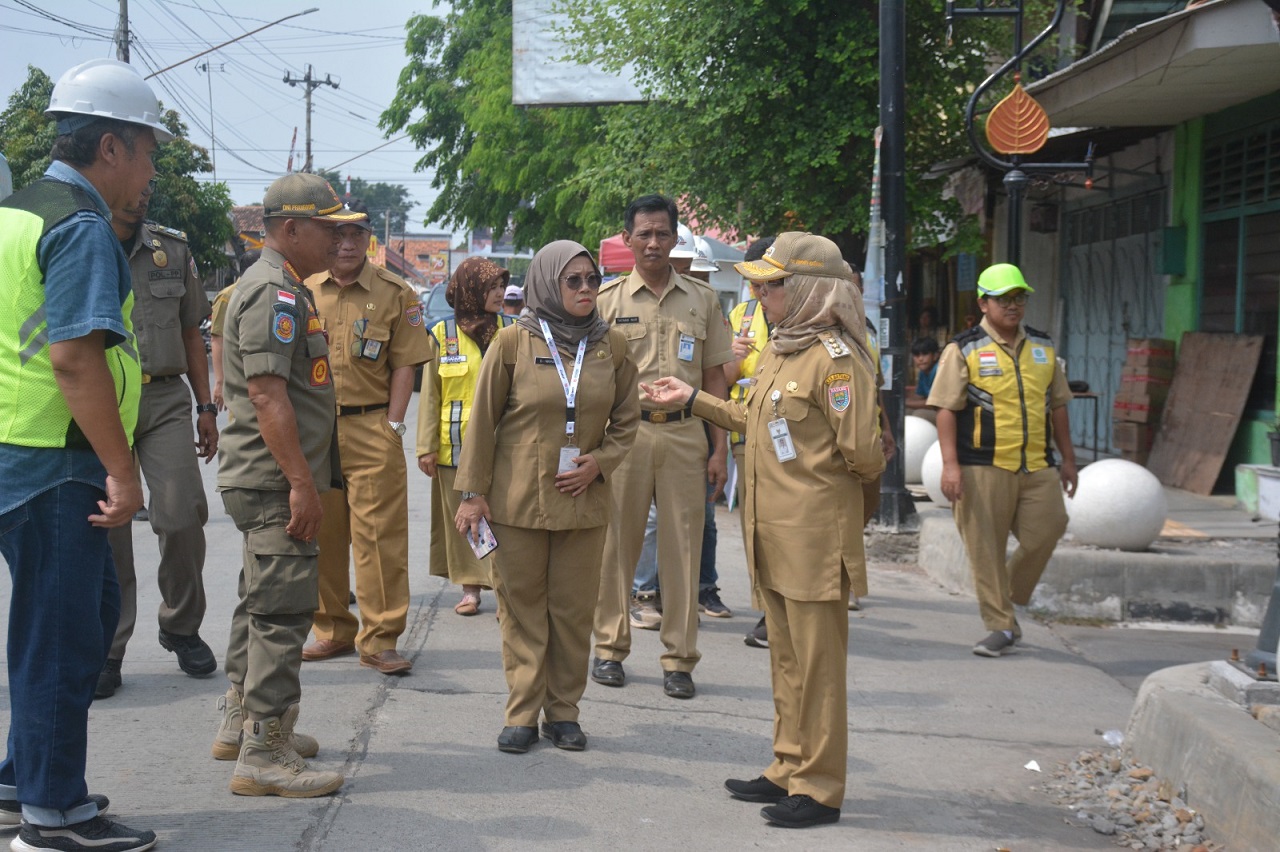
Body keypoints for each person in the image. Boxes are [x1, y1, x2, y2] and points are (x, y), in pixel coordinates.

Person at [641, 231, 884, 829]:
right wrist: (692, 396)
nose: (759, 293)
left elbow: (866, 457)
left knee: (819, 665)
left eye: (771, 285)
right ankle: (788, 764)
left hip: (814, 536)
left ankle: (821, 787)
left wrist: (838, 504)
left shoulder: (838, 358)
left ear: (804, 290)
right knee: (786, 660)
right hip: (769, 530)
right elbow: (753, 417)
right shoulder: (781, 349)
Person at [0, 57, 168, 852]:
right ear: (110, 146)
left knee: (82, 614)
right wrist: (124, 471)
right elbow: (75, 358)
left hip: (19, 448)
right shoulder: (79, 226)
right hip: (58, 455)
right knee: (63, 630)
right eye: (148, 150)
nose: (150, 170)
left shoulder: (18, 210)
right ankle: (53, 814)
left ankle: (19, 780)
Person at [454, 241, 639, 754]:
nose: (585, 289)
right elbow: (483, 424)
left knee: (573, 613)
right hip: (516, 505)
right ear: (546, 284)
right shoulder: (512, 342)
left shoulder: (613, 346)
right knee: (521, 611)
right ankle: (521, 714)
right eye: (572, 280)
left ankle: (563, 714)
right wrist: (472, 494)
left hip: (583, 502)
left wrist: (601, 462)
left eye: (592, 279)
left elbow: (627, 419)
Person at [212, 172, 358, 798]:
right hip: (275, 481)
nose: (337, 236)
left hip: (267, 476)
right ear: (291, 229)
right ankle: (263, 752)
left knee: (258, 600)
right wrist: (301, 484)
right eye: (327, 226)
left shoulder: (279, 286)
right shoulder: (275, 292)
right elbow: (269, 395)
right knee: (281, 613)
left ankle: (242, 723)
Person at [591, 195, 733, 700]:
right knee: (617, 548)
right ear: (627, 239)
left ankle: (679, 659)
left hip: (684, 435)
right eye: (644, 233)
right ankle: (608, 649)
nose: (654, 242)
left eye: (663, 233)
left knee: (683, 551)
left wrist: (720, 450)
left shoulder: (702, 300)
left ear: (675, 239)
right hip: (624, 437)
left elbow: (716, 377)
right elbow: (589, 381)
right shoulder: (605, 303)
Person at [95, 187, 219, 700]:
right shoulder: (82, 241)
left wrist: (205, 406)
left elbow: (193, 331)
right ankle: (110, 646)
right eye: (135, 183)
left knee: (182, 513)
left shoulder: (173, 251)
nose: (142, 193)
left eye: (150, 186)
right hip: (101, 400)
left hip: (165, 397)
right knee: (112, 525)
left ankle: (180, 626)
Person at [301, 203, 433, 675]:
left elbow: (406, 363)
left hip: (371, 425)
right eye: (336, 235)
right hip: (314, 430)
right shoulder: (303, 290)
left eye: (356, 235)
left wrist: (394, 425)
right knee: (322, 533)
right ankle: (332, 628)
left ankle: (380, 637)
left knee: (379, 537)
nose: (346, 244)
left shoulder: (395, 292)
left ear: (369, 240)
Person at [927, 263, 1078, 658]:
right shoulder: (963, 348)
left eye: (1019, 298)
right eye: (1004, 299)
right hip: (980, 466)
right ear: (983, 303)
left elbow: (1058, 405)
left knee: (1049, 529)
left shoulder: (1043, 347)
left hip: (1036, 465)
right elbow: (945, 408)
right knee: (985, 550)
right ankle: (1001, 626)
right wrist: (950, 465)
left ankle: (1006, 599)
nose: (1013, 306)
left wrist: (1069, 460)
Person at [415, 258, 514, 615]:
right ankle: (471, 588)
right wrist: (426, 445)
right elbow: (430, 393)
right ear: (471, 290)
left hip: (503, 446)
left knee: (502, 517)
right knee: (464, 519)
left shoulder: (513, 330)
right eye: (492, 287)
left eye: (502, 286)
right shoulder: (441, 334)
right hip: (453, 448)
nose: (500, 294)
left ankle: (503, 586)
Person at [726, 236, 775, 649]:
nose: (758, 289)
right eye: (753, 280)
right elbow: (719, 379)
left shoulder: (807, 315)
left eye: (766, 279)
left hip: (798, 438)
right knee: (755, 528)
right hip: (747, 435)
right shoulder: (740, 315)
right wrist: (730, 356)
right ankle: (768, 612)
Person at [210, 250, 260, 410]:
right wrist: (220, 382)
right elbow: (217, 339)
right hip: (238, 377)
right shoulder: (228, 296)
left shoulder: (264, 292)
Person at [906, 337, 940, 424]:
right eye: (917, 355)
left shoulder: (939, 370)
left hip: (943, 412)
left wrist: (906, 403)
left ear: (935, 356)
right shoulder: (923, 372)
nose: (920, 359)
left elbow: (933, 403)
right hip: (933, 409)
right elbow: (920, 395)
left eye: (925, 354)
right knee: (905, 412)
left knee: (919, 415)